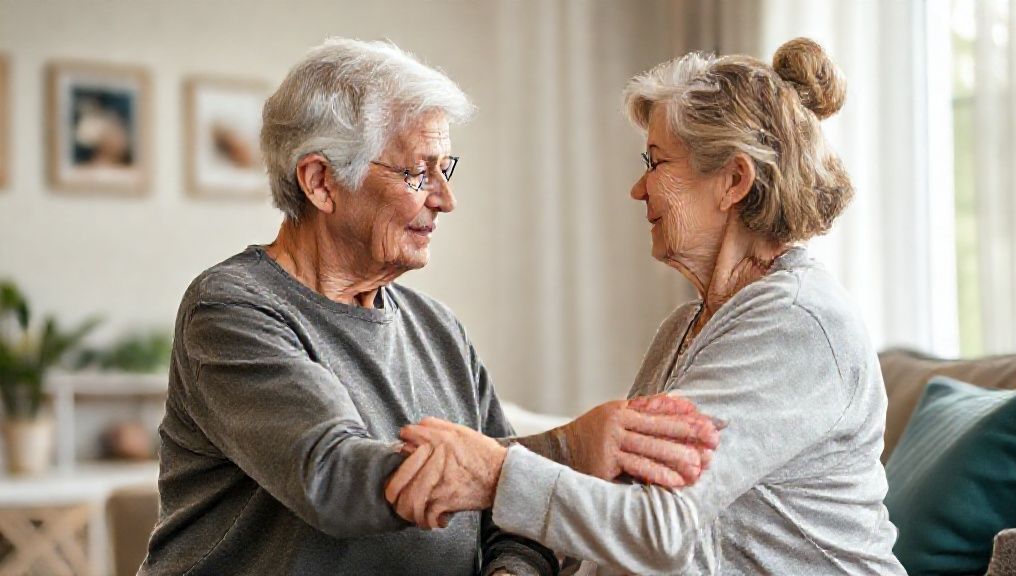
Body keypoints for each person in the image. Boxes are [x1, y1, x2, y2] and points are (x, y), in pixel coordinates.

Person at [139, 38, 714, 576]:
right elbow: (333, 477)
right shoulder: (233, 308)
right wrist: (564, 449)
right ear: (320, 182)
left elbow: (512, 516)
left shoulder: (435, 327)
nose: (446, 199)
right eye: (418, 172)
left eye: (446, 169)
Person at [385, 38, 908, 575]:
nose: (639, 189)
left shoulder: (796, 323)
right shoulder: (687, 326)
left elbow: (656, 530)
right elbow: (610, 507)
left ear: (733, 180)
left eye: (655, 163)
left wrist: (494, 472)